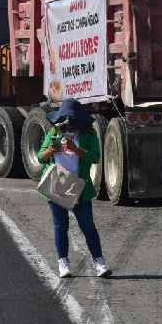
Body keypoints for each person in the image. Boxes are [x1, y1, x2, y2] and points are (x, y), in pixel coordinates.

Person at [38, 98, 111, 278]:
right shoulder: (54, 131)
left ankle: (99, 262)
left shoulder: (89, 135)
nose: (68, 125)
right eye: (65, 120)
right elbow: (41, 157)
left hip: (80, 187)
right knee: (60, 226)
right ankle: (63, 262)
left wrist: (75, 149)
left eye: (71, 121)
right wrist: (51, 151)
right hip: (58, 184)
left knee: (87, 226)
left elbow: (95, 157)